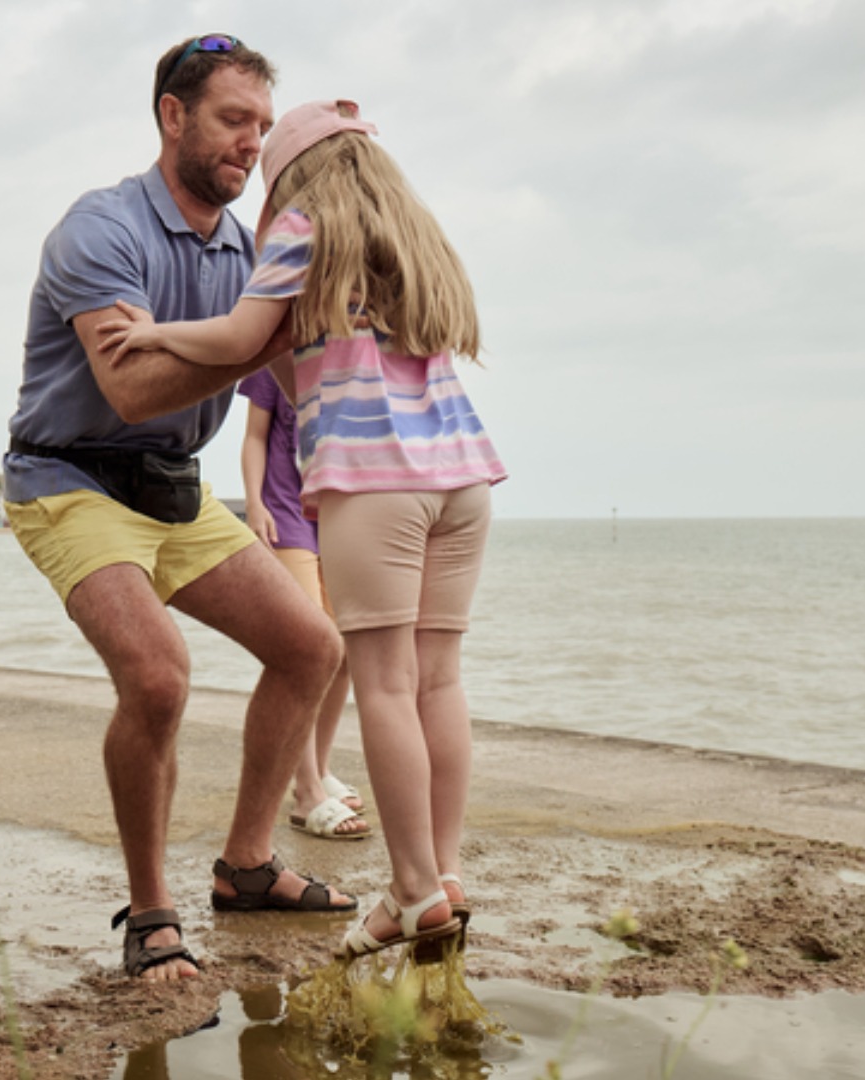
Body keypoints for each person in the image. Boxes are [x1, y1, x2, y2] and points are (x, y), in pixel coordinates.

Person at [96, 99, 508, 960]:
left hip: (377, 481)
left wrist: (155, 329)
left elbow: (246, 338)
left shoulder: (301, 227)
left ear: (292, 175)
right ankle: (448, 875)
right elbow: (294, 360)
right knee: (439, 681)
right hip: (465, 477)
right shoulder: (415, 239)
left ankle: (412, 892)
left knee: (385, 685)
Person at [3, 37, 357, 983]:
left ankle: (245, 865)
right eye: (233, 120)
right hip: (68, 480)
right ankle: (150, 912)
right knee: (158, 678)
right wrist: (261, 332)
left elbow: (295, 368)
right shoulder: (101, 228)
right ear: (173, 116)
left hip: (173, 489)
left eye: (261, 127)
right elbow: (130, 387)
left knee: (313, 648)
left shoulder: (247, 251)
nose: (251, 144)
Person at [236, 370, 368, 841]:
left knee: (347, 651)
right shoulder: (276, 355)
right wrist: (254, 503)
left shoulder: (355, 355)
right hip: (285, 515)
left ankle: (321, 767)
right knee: (311, 647)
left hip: (336, 512)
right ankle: (306, 790)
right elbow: (254, 435)